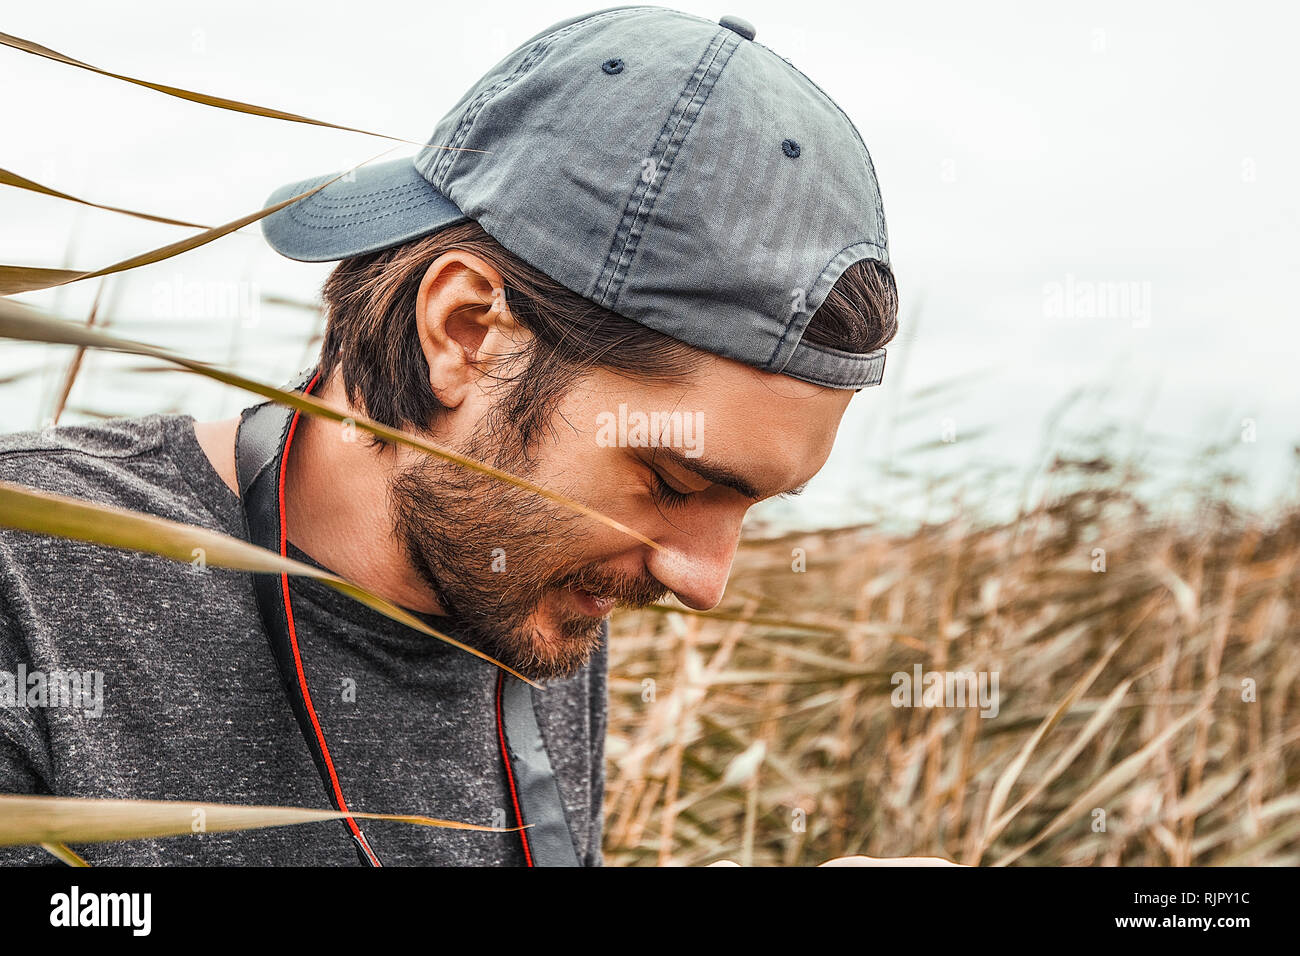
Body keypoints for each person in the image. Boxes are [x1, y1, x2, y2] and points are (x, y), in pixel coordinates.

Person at [0, 7, 922, 866]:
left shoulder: (535, 590)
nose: (704, 582)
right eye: (676, 484)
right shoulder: (33, 579)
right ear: (467, 331)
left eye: (751, 504)